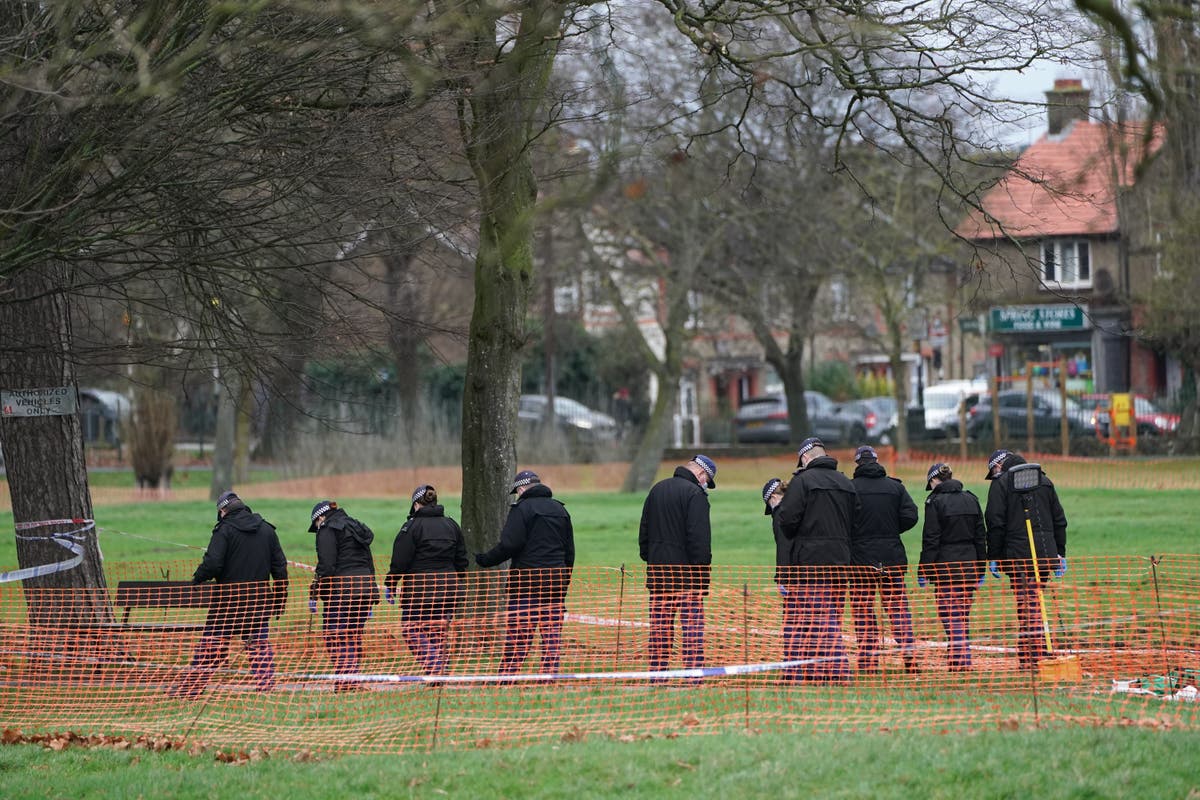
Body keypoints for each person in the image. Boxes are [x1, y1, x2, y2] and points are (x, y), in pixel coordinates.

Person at [168, 491, 288, 699]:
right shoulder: (267, 530)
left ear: (223, 511)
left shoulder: (224, 530)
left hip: (227, 604)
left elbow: (213, 563)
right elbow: (280, 569)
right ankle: (266, 689)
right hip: (258, 603)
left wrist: (197, 578)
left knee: (211, 647)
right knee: (259, 647)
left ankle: (190, 690)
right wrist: (279, 601)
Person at [774, 437, 860, 683]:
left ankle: (840, 671)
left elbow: (787, 520)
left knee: (820, 618)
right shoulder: (846, 482)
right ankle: (817, 672)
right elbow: (857, 520)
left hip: (811, 562)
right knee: (826, 615)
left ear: (805, 457)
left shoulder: (803, 482)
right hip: (841, 560)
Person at [475, 470, 575, 678]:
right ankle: (549, 677)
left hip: (525, 583)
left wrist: (485, 560)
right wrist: (563, 582)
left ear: (521, 489)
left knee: (519, 635)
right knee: (551, 637)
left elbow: (510, 544)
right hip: (555, 583)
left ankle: (507, 677)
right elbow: (569, 553)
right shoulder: (560, 510)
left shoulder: (521, 509)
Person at [983, 449, 1068, 669]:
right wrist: (1059, 552)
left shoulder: (1001, 485)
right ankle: (1033, 651)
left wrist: (995, 556)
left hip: (1018, 556)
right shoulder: (1045, 481)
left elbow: (995, 523)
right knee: (1033, 601)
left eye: (993, 471)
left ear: (999, 466)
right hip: (1045, 554)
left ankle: (1034, 654)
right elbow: (1060, 520)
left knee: (1028, 604)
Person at [639, 454, 716, 677]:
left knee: (659, 631)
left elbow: (644, 533)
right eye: (706, 480)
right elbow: (699, 541)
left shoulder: (657, 489)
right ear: (701, 474)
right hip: (687, 579)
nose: (705, 485)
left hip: (658, 576)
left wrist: (652, 558)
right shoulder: (696, 495)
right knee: (691, 631)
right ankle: (692, 677)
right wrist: (702, 576)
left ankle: (657, 676)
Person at [848, 445, 920, 674]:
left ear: (858, 463)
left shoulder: (850, 489)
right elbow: (911, 515)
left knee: (863, 611)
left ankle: (868, 663)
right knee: (898, 609)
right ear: (877, 461)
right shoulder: (895, 487)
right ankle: (909, 653)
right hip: (892, 557)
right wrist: (891, 529)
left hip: (860, 560)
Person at [385, 484, 468, 676]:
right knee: (438, 632)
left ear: (415, 505)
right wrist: (456, 581)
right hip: (449, 589)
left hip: (419, 592)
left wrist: (391, 583)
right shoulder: (452, 525)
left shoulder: (411, 527)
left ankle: (434, 667)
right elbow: (462, 560)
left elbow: (400, 561)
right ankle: (440, 672)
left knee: (411, 629)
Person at [918, 463, 986, 672]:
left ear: (934, 480)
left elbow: (931, 540)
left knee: (950, 614)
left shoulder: (935, 502)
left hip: (946, 568)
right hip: (969, 566)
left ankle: (961, 660)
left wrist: (924, 570)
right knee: (962, 615)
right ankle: (957, 657)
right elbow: (980, 537)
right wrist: (980, 568)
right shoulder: (971, 499)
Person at [309, 499, 380, 691]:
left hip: (342, 592)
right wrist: (372, 593)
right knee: (353, 635)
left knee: (335, 635)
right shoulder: (356, 527)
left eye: (316, 524)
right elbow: (368, 562)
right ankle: (350, 680)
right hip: (364, 589)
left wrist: (316, 593)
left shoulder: (327, 529)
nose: (317, 528)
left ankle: (347, 682)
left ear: (321, 517)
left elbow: (327, 566)